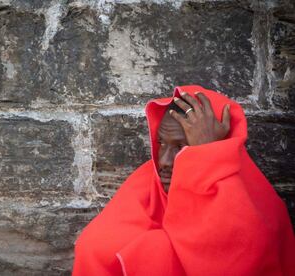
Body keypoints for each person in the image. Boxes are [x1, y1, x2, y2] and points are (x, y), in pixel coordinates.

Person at [72, 85, 295, 276]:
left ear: (221, 147)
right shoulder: (148, 182)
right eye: (161, 144)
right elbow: (95, 247)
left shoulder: (261, 210)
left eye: (181, 147)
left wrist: (208, 155)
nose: (164, 162)